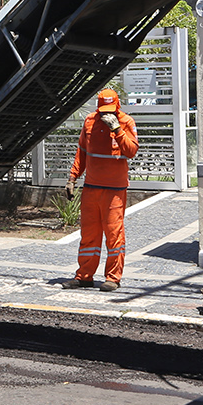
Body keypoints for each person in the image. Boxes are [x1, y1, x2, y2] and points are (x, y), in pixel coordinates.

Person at [64, 88, 139, 291]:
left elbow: (131, 151)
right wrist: (72, 178)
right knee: (89, 234)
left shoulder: (126, 122)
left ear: (117, 106)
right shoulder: (90, 121)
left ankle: (113, 278)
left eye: (111, 110)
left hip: (115, 190)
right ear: (97, 108)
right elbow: (82, 152)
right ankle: (84, 276)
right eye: (104, 110)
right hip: (91, 187)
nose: (108, 114)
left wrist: (117, 130)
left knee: (114, 234)